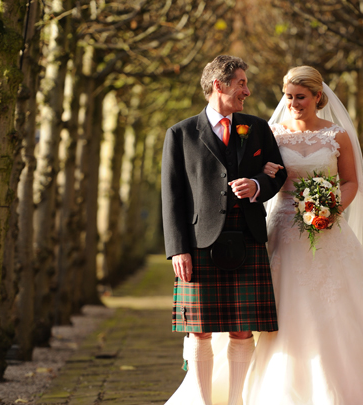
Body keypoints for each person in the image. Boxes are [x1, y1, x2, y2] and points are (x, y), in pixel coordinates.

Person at [241, 66, 363, 404]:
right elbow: (263, 176)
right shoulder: (271, 135)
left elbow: (350, 182)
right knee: (287, 309)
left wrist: (329, 210)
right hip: (285, 230)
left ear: (318, 97)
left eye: (300, 97)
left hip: (328, 229)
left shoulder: (337, 135)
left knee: (339, 309)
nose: (292, 103)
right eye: (288, 96)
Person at [161, 55, 286, 405]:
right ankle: (202, 402)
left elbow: (278, 173)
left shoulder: (257, 127)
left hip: (246, 236)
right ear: (220, 85)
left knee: (242, 328)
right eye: (241, 83)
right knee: (198, 330)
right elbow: (171, 196)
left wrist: (258, 186)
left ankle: (236, 401)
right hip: (199, 242)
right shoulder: (181, 133)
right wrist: (177, 248)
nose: (247, 90)